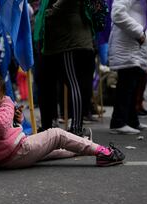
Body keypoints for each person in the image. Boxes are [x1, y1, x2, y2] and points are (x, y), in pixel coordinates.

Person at [0, 65, 125, 169]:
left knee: (51, 149)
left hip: (5, 154)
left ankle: (82, 144)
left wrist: (16, 119)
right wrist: (6, 103)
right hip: (13, 153)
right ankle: (103, 153)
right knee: (56, 135)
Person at [35, 0, 94, 138]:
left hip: (68, 40)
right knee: (45, 84)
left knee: (73, 83)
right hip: (53, 41)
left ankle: (76, 128)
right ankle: (47, 127)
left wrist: (49, 13)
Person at [108, 0, 147, 135]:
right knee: (126, 85)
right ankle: (118, 122)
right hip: (127, 45)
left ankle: (131, 120)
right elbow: (117, 13)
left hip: (133, 46)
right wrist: (139, 33)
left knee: (132, 84)